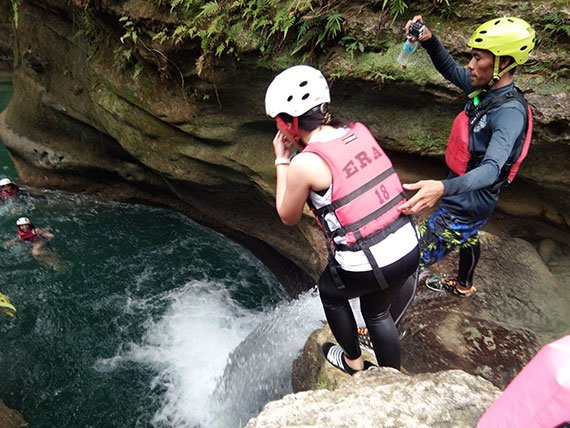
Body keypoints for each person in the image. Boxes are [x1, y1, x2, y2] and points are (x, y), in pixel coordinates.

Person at [265, 65, 420, 373]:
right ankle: (392, 380)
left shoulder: (305, 162)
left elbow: (287, 215)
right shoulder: (356, 133)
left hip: (371, 262)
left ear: (287, 123)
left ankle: (353, 362)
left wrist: (282, 159)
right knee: (377, 313)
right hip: (410, 247)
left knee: (331, 294)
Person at [398, 16, 535, 297]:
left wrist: (442, 188)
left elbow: (491, 169)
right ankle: (463, 285)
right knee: (468, 235)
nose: (470, 65)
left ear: (504, 63)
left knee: (408, 263)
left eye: (477, 58)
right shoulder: (486, 91)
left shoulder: (509, 113)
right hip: (467, 196)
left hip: (467, 202)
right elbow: (450, 69)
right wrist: (429, 40)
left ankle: (375, 338)